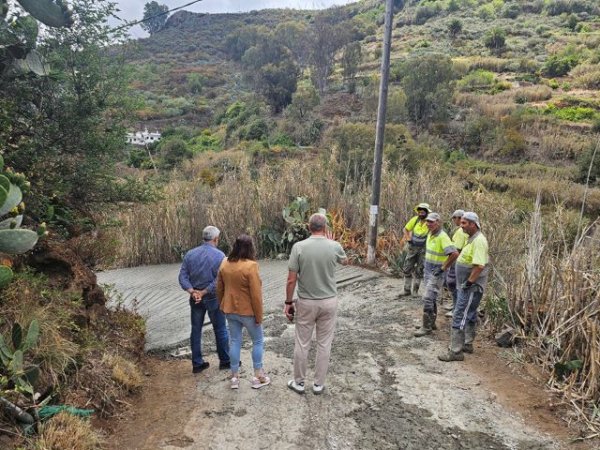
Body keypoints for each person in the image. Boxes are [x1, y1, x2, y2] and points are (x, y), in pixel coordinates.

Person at [284, 213, 348, 395]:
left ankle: (299, 382)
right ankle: (319, 384)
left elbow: (291, 280)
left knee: (302, 343)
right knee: (324, 343)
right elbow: (345, 261)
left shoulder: (298, 247)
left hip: (306, 302)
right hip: (329, 301)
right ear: (325, 228)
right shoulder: (334, 246)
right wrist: (333, 244)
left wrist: (288, 302)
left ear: (308, 227)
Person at [217, 235, 270, 390]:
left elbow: (219, 288)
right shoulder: (251, 266)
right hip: (248, 312)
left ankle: (234, 378)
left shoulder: (225, 263)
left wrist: (222, 304)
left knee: (235, 341)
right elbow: (256, 295)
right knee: (258, 341)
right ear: (250, 247)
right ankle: (258, 376)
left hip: (230, 310)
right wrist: (259, 316)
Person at [178, 225, 230, 373]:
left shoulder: (190, 254)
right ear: (215, 239)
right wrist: (204, 291)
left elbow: (182, 276)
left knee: (196, 330)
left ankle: (197, 363)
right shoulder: (220, 256)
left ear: (203, 238)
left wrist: (192, 291)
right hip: (213, 297)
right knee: (220, 329)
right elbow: (219, 279)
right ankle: (225, 361)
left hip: (195, 299)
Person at [439, 212, 489, 362]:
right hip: (466, 286)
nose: (461, 226)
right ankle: (467, 344)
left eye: (464, 223)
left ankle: (455, 351)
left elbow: (479, 265)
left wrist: (469, 282)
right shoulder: (471, 239)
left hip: (470, 288)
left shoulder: (479, 241)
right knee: (468, 313)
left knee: (459, 314)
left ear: (473, 224)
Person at [414, 213, 459, 337]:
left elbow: (454, 254)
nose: (429, 224)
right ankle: (430, 323)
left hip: (436, 272)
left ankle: (426, 327)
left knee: (428, 298)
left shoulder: (442, 236)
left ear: (438, 222)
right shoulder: (430, 234)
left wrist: (443, 267)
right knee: (431, 297)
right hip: (428, 270)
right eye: (428, 221)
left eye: (432, 222)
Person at [399, 203, 432, 297]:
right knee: (407, 268)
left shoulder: (430, 222)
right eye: (419, 212)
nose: (421, 214)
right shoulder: (415, 220)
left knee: (419, 270)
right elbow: (405, 229)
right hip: (412, 248)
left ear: (427, 212)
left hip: (424, 250)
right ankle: (406, 290)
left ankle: (415, 292)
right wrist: (408, 238)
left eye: (423, 212)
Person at [444, 209, 469, 318]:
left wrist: (449, 263)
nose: (453, 220)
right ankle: (455, 305)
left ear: (458, 218)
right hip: (462, 261)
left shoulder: (460, 232)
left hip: (457, 261)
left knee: (453, 283)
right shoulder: (464, 231)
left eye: (454, 218)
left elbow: (457, 250)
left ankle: (456, 308)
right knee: (456, 284)